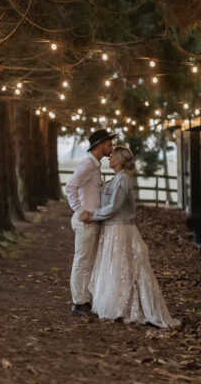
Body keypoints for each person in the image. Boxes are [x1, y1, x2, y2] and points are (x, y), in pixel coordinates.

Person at [79, 146, 179, 329]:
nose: (109, 159)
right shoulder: (118, 179)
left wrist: (93, 216)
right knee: (114, 266)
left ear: (118, 160)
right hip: (112, 228)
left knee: (121, 265)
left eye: (112, 158)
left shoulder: (123, 180)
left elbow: (114, 207)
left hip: (120, 228)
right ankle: (112, 302)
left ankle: (121, 306)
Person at [64, 129, 116, 318]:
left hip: (93, 220)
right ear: (99, 144)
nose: (111, 146)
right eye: (109, 143)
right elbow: (70, 187)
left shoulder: (95, 166)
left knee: (88, 263)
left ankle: (84, 300)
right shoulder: (87, 164)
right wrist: (80, 211)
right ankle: (78, 304)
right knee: (82, 262)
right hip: (85, 222)